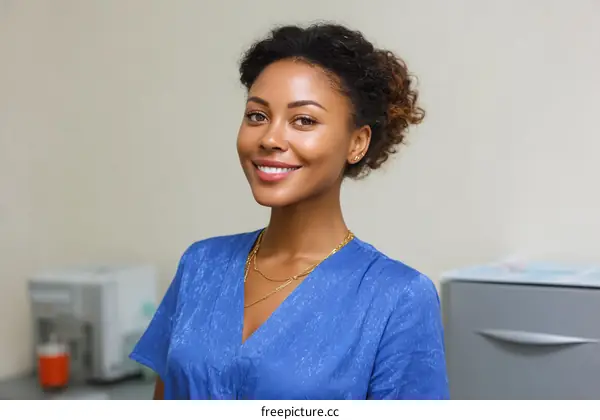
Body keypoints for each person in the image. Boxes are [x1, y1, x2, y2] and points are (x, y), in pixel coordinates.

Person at [130, 22, 449, 400]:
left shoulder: (397, 297)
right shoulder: (201, 265)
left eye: (304, 121)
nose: (270, 138)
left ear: (357, 142)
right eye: (257, 116)